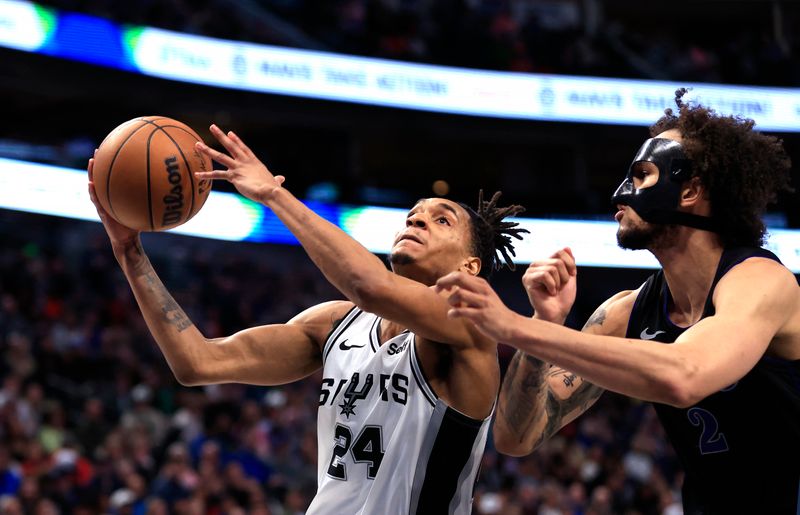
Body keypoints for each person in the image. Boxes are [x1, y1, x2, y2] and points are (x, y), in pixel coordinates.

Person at [86, 124, 528, 514]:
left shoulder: (470, 323)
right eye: (413, 212)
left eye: (441, 219)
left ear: (470, 266)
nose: (417, 218)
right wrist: (130, 254)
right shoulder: (336, 325)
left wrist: (274, 195)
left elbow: (369, 286)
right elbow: (199, 363)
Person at [435, 90, 799, 514]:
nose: (620, 193)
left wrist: (514, 326)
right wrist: (544, 322)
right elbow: (517, 437)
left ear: (689, 191)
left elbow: (686, 375)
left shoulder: (761, 281)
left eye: (642, 175)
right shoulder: (628, 311)